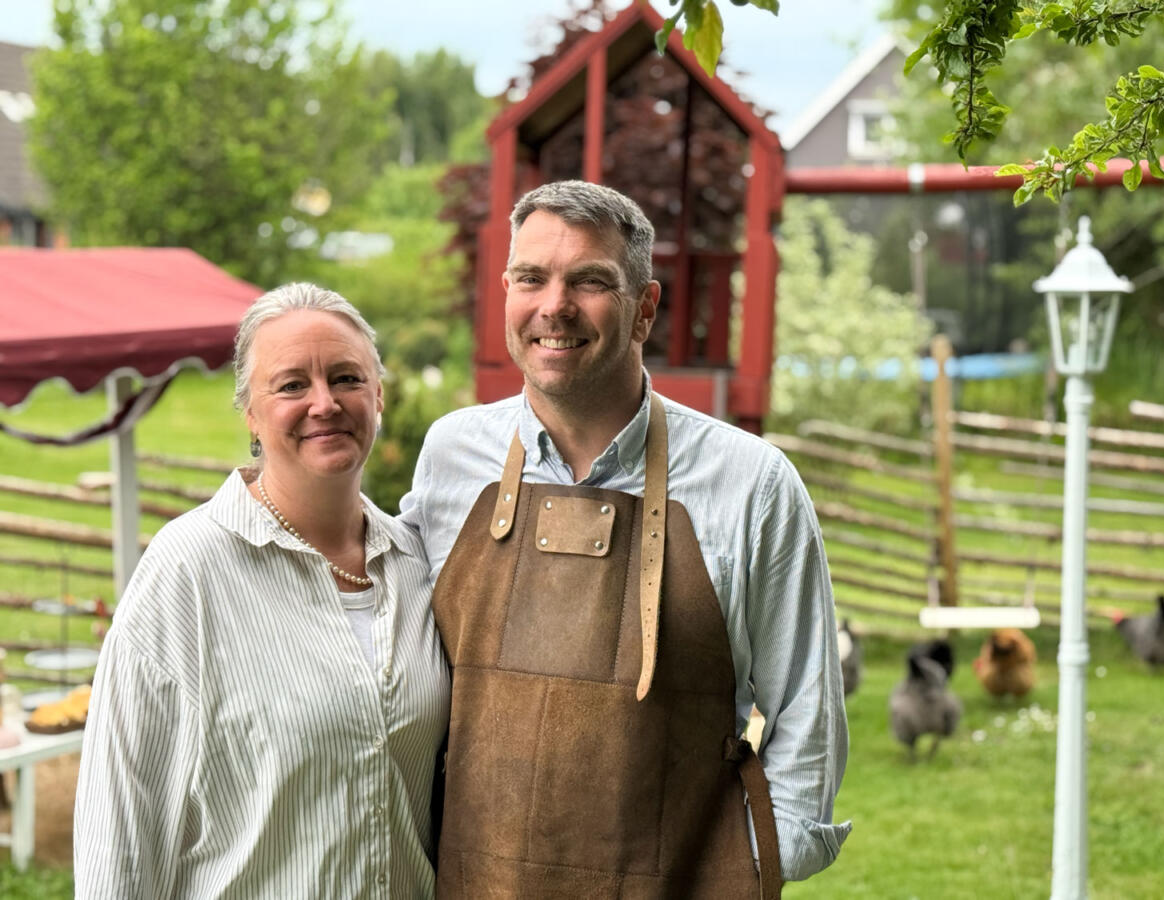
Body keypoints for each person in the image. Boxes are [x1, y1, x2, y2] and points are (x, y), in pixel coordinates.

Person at [401, 180, 850, 897]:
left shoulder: (751, 482)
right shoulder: (451, 455)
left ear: (644, 307)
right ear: (506, 293)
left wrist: (751, 863)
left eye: (590, 281)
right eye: (531, 278)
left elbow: (808, 710)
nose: (554, 306)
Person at [74, 284, 450, 898]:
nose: (324, 403)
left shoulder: (414, 562)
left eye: (347, 378)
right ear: (250, 413)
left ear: (378, 396)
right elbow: (119, 824)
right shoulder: (188, 569)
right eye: (292, 385)